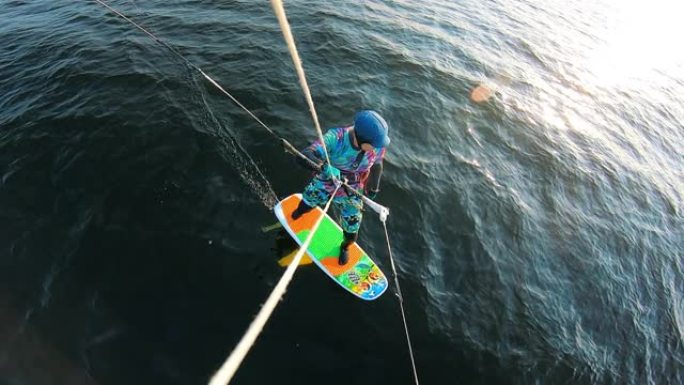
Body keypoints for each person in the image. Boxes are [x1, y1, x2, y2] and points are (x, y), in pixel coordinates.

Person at [291, 110, 389, 265]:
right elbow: (303, 156)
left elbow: (378, 164)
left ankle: (345, 247)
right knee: (307, 203)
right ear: (361, 139)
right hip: (327, 179)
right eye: (375, 145)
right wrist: (324, 168)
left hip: (353, 189)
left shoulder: (377, 145)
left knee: (352, 230)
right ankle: (297, 214)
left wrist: (373, 188)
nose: (378, 147)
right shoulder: (336, 138)